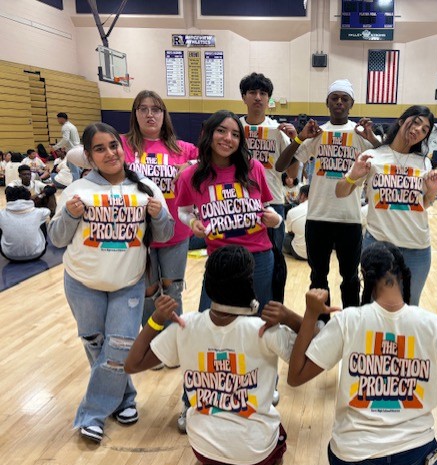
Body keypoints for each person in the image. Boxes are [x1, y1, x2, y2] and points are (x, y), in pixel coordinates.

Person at [287, 241, 437, 465]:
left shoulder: (348, 320)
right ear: (403, 276)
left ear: (365, 278)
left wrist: (311, 314)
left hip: (354, 461)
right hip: (416, 462)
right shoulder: (430, 324)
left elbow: (295, 376)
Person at [125, 245, 299, 465]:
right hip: (253, 448)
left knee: (215, 448)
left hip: (203, 446)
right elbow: (311, 350)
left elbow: (132, 364)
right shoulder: (263, 330)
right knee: (279, 437)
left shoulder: (185, 325)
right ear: (249, 286)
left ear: (208, 285)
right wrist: (291, 318)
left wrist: (156, 319)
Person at [47, 122, 174, 443]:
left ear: (123, 147)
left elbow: (167, 233)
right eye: (100, 149)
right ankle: (126, 398)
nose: (109, 153)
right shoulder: (77, 190)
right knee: (96, 345)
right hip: (81, 283)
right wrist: (69, 216)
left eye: (113, 146)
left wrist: (159, 216)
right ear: (89, 156)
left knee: (119, 348)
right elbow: (57, 239)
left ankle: (92, 414)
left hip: (127, 284)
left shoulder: (145, 187)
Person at [275, 79, 378, 314]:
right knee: (318, 277)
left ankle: (352, 322)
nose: (339, 102)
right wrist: (300, 137)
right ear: (327, 103)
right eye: (335, 98)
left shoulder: (360, 134)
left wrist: (372, 139)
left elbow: (384, 158)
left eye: (344, 98)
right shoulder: (317, 134)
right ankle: (321, 324)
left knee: (350, 278)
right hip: (318, 217)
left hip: (349, 219)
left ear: (352, 104)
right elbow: (281, 166)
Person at [176, 110, 280, 313]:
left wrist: (275, 219)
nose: (228, 138)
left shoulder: (254, 167)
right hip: (220, 258)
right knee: (211, 318)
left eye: (235, 134)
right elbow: (183, 211)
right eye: (221, 131)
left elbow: (267, 208)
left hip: (259, 256)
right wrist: (191, 223)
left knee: (258, 318)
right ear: (209, 133)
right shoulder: (190, 175)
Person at [336, 105, 437, 306]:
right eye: (416, 122)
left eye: (425, 129)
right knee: (375, 306)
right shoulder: (373, 157)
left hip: (417, 248)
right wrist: (352, 177)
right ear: (402, 121)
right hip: (379, 245)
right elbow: (340, 191)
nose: (419, 129)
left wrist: (432, 190)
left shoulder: (424, 164)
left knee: (410, 307)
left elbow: (424, 204)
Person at [122, 90, 199, 329]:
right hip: (137, 233)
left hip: (175, 231)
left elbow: (214, 157)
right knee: (147, 292)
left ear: (164, 114)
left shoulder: (182, 148)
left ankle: (174, 339)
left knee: (173, 289)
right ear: (135, 114)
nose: (149, 115)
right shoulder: (121, 144)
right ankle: (151, 343)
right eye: (143, 109)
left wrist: (192, 164)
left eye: (155, 109)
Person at [239, 72, 298, 251]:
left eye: (263, 93)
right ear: (244, 97)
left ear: (268, 99)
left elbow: (293, 174)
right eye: (252, 92)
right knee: (241, 256)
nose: (258, 97)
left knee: (275, 258)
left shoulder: (278, 131)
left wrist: (295, 141)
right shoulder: (234, 128)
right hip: (239, 200)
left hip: (272, 201)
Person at [0, 186, 50, 262]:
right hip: (37, 254)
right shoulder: (39, 212)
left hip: (9, 255)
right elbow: (48, 211)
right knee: (42, 221)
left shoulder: (1, 214)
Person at [51, 112, 82, 180]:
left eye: (58, 119)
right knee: (70, 165)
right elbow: (70, 139)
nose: (58, 121)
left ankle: (76, 185)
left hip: (72, 150)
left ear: (61, 119)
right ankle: (83, 177)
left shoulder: (65, 127)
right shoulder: (72, 126)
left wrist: (55, 147)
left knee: (74, 169)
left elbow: (66, 138)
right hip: (76, 148)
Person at [283, 184, 309, 261]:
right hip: (320, 255)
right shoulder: (322, 210)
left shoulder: (292, 211)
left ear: (302, 195)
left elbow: (290, 232)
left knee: (283, 235)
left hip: (299, 253)